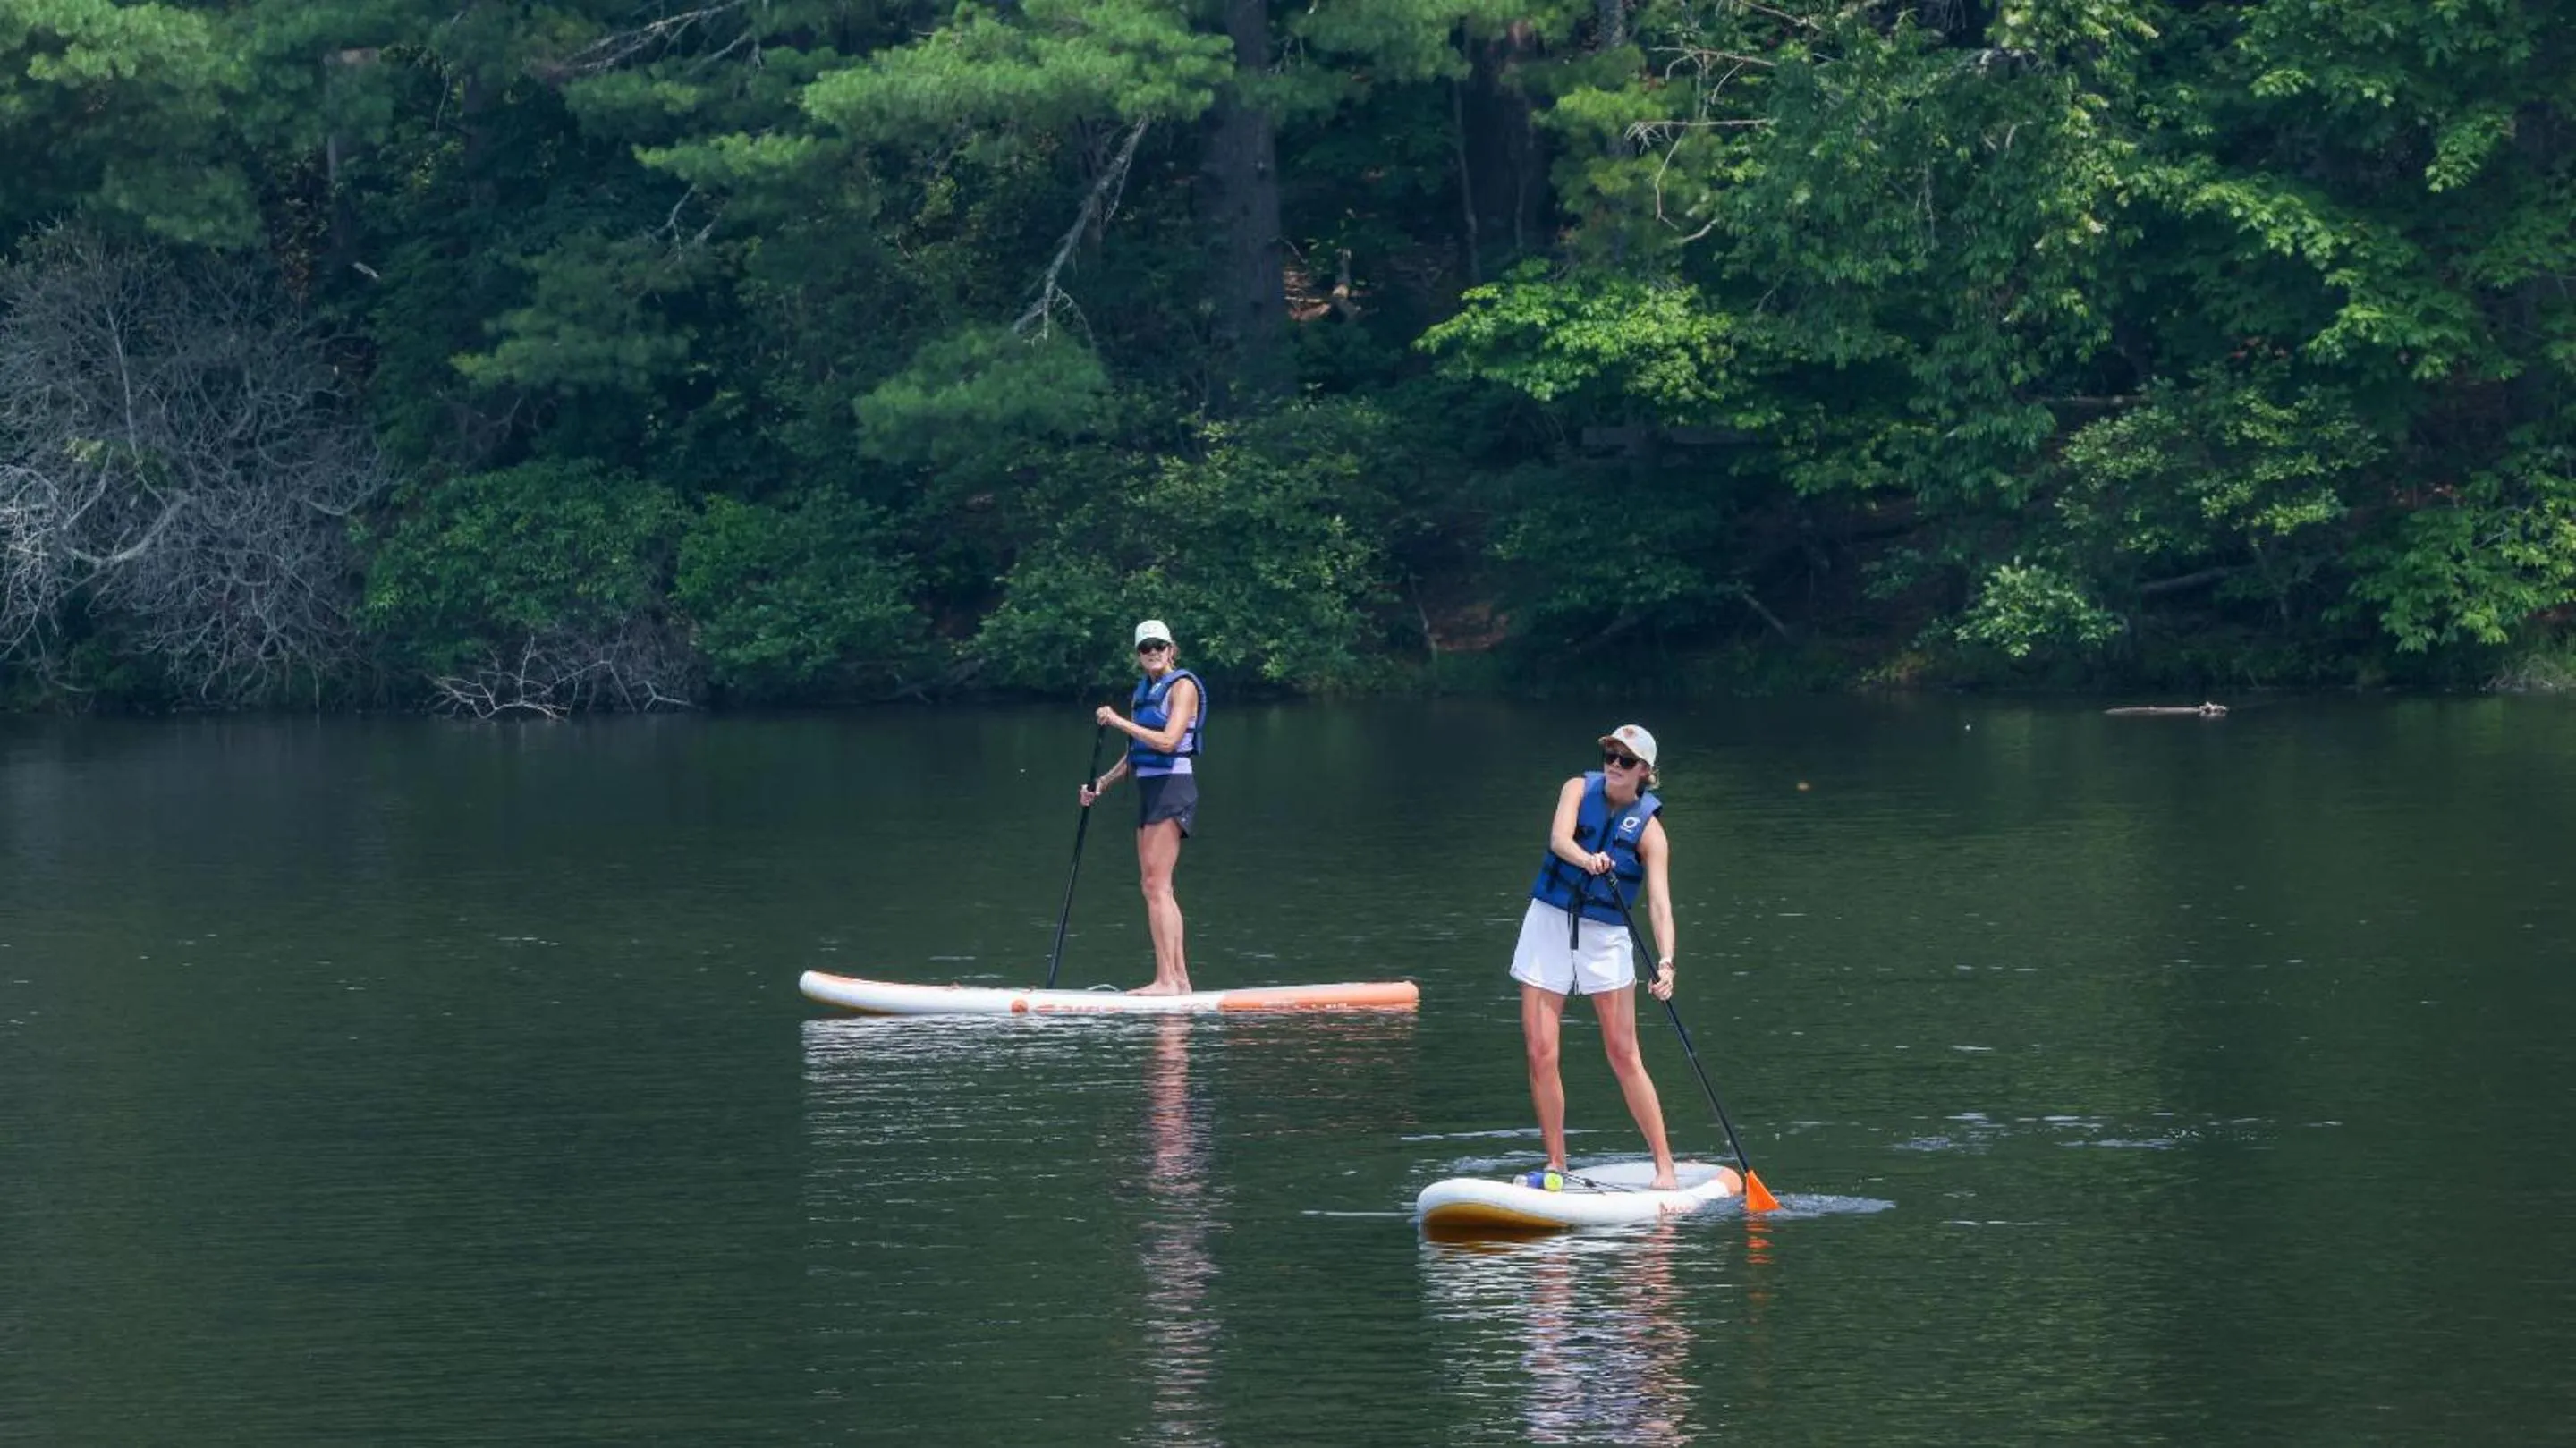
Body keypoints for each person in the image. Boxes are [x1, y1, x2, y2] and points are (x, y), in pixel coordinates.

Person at [1512, 724, 1681, 1190]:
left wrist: (1666, 963)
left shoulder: (1651, 833)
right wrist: (1588, 860)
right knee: (1540, 1051)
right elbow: (1559, 841)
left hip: (1605, 936)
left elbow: (1661, 905)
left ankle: (1665, 1168)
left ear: (1644, 772)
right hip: (1549, 921)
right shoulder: (1575, 788)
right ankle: (1556, 1163)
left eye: (1626, 760)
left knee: (1624, 1053)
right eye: (1610, 753)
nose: (1614, 764)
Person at [1078, 620, 1206, 995]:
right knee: (1153, 886)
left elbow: (1167, 742)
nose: (1152, 652)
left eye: (1159, 646)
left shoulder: (1182, 687)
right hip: (1150, 789)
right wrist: (1101, 783)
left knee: (1158, 885)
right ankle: (1178, 980)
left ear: (1171, 649)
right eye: (1145, 647)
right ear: (1138, 654)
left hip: (1173, 787)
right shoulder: (1143, 692)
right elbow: (1136, 755)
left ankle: (1168, 981)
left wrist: (1118, 721)